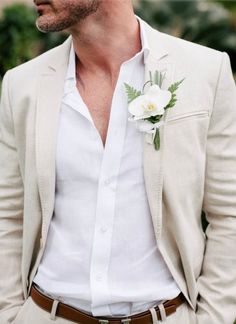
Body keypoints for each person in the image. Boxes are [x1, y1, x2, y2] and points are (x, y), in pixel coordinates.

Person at [0, 0, 235, 323]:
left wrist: (213, 317)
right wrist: (9, 313)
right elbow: (8, 214)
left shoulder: (205, 72)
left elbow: (229, 211)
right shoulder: (20, 84)